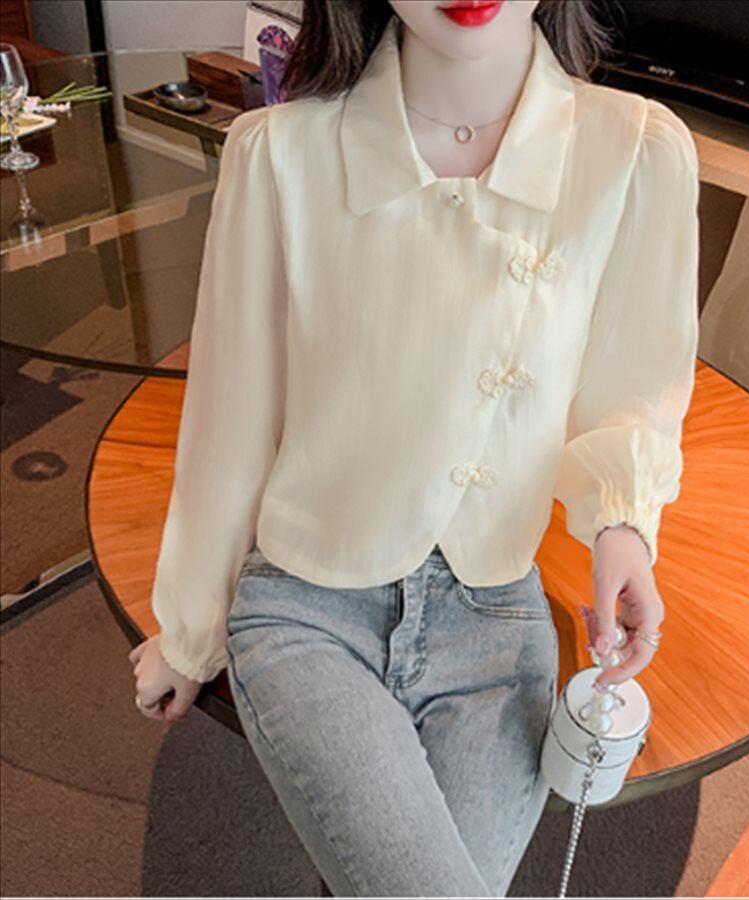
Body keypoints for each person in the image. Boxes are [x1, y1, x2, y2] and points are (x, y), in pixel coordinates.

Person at [128, 0, 699, 895]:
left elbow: (630, 387)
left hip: (496, 620)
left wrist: (621, 527)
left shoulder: (635, 152)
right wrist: (191, 632)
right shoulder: (280, 154)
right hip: (310, 601)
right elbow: (231, 416)